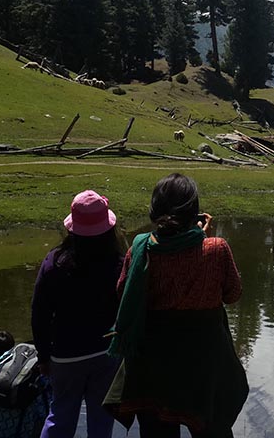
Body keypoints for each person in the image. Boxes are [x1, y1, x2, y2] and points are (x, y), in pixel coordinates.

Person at [104, 173, 247, 438]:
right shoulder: (216, 249)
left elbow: (123, 292)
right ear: (194, 212)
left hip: (152, 366)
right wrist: (203, 241)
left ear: (154, 209)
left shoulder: (140, 249)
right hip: (203, 366)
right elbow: (232, 294)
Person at [32, 190, 124, 438]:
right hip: (105, 352)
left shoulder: (54, 263)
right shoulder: (118, 262)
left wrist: (43, 356)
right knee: (101, 421)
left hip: (64, 355)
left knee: (60, 415)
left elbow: (39, 313)